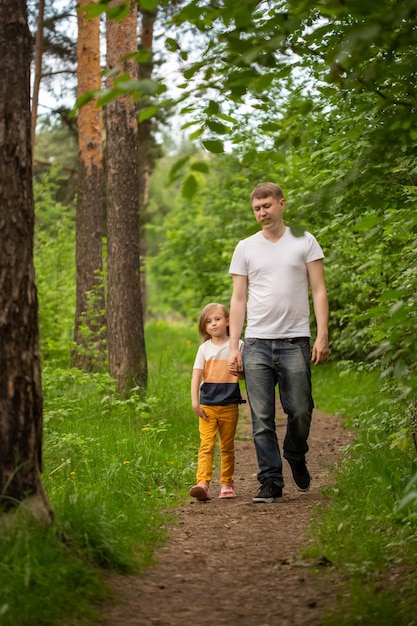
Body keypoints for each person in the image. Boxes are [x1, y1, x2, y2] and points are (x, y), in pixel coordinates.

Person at [227, 182, 329, 504]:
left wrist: (322, 334)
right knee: (261, 418)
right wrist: (234, 345)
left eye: (267, 206)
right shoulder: (245, 247)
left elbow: (319, 290)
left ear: (281, 204)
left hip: (295, 340)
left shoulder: (305, 240)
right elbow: (238, 298)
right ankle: (270, 481)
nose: (262, 213)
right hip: (256, 342)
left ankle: (295, 454)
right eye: (257, 208)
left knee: (300, 410)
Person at [189, 303, 245, 501]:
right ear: (204, 327)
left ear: (228, 321)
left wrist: (239, 371)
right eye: (209, 321)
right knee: (206, 445)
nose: (213, 324)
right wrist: (195, 403)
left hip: (229, 404)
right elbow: (196, 376)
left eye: (217, 319)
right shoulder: (204, 349)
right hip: (207, 406)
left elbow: (245, 375)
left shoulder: (238, 345)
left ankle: (227, 484)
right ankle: (202, 483)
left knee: (227, 445)